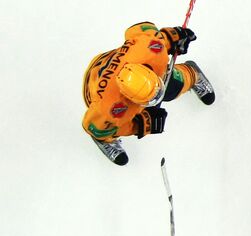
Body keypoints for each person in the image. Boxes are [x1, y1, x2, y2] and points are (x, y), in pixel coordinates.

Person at [81, 22, 215, 165]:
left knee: (171, 86)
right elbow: (92, 127)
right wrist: (141, 124)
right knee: (108, 127)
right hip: (94, 87)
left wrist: (171, 36)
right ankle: (106, 139)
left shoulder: (152, 52)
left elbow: (141, 30)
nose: (157, 99)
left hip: (112, 63)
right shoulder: (111, 109)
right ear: (130, 99)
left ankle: (192, 74)